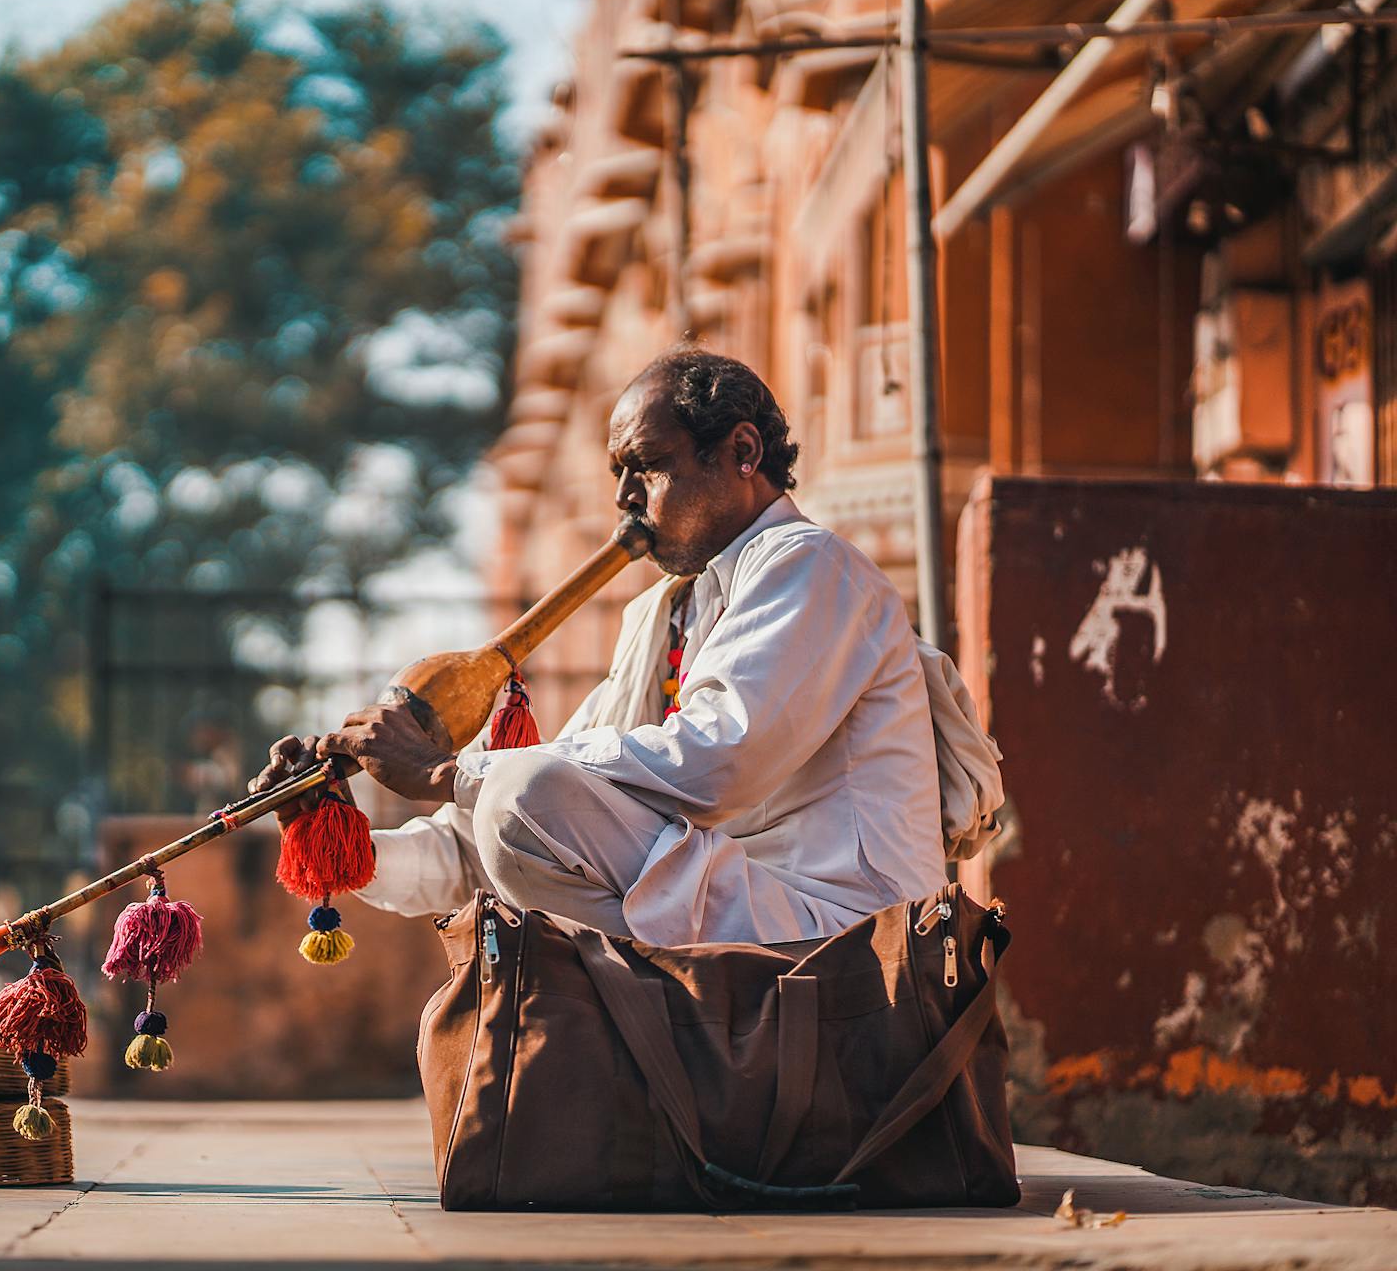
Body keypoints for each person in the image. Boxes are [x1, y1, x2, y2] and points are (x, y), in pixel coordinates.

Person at [253, 347, 956, 946]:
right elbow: (502, 839)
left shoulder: (809, 565)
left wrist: (446, 773)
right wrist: (338, 834)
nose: (624, 497)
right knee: (516, 807)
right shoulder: (665, 614)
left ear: (742, 452)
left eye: (647, 466)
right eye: (618, 472)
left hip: (842, 925)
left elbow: (715, 764)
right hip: (739, 910)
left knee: (520, 794)